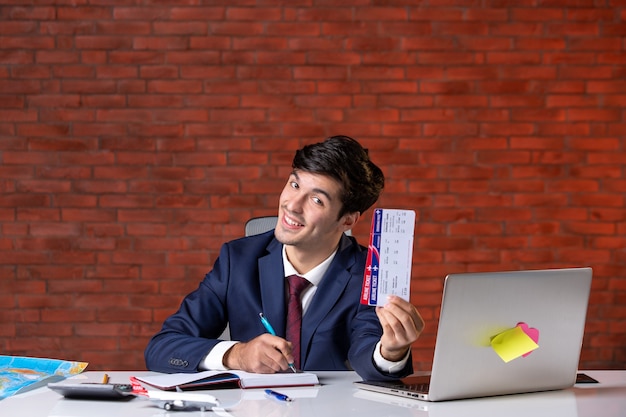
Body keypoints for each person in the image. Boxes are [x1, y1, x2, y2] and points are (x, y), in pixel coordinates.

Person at [144, 135, 424, 381]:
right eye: (294, 185)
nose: (292, 205)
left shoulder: (369, 273)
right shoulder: (237, 260)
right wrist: (237, 354)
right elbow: (163, 347)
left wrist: (391, 350)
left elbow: (367, 353)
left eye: (317, 200)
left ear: (347, 220)